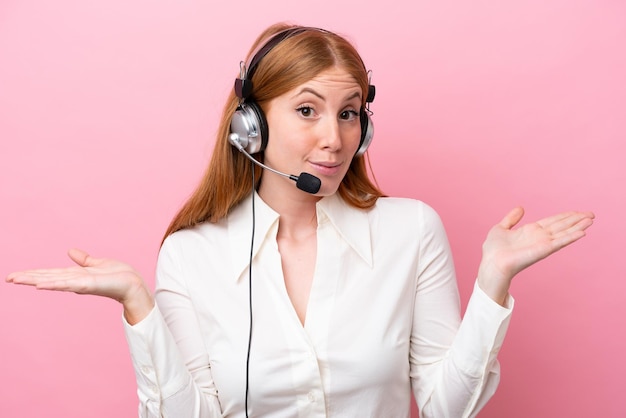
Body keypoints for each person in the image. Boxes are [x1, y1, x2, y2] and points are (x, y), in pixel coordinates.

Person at [6, 23, 594, 418]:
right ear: (250, 126)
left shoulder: (411, 231)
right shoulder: (192, 254)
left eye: (349, 114)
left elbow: (446, 405)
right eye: (306, 110)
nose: (333, 138)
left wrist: (493, 283)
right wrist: (138, 304)